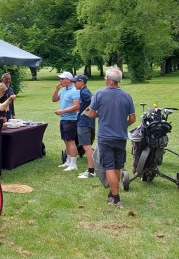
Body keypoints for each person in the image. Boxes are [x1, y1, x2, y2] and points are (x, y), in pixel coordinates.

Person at [87, 67, 136, 208]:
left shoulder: (99, 94)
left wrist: (100, 114)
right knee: (117, 166)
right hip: (121, 136)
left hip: (105, 137)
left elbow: (91, 114)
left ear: (108, 79)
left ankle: (115, 197)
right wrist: (122, 124)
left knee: (108, 166)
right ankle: (112, 192)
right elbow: (132, 118)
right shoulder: (127, 96)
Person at [52, 72, 81, 171]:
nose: (60, 80)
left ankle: (73, 164)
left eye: (62, 79)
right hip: (63, 118)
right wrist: (56, 90)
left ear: (68, 79)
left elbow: (77, 106)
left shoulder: (74, 91)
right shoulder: (64, 90)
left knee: (71, 141)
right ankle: (68, 161)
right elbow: (54, 99)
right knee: (66, 141)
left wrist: (63, 111)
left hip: (71, 119)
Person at [72, 74, 96, 179]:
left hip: (84, 122)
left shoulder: (84, 91)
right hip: (86, 121)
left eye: (75, 82)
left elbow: (95, 99)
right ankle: (93, 169)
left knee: (86, 146)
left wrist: (88, 109)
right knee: (87, 146)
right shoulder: (83, 91)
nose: (74, 83)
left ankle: (92, 171)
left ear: (81, 82)